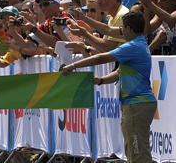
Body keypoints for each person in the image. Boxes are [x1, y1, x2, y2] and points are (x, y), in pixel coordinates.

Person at [61, 12, 156, 162]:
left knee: (139, 153)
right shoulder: (138, 44)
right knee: (132, 150)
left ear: (129, 28)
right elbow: (119, 72)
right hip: (134, 104)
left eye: (122, 29)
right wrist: (100, 80)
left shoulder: (133, 46)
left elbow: (101, 57)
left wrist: (73, 65)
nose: (121, 32)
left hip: (137, 104)